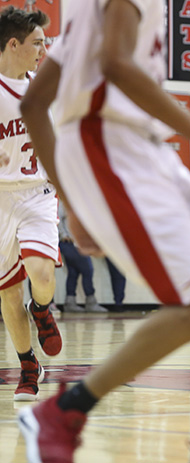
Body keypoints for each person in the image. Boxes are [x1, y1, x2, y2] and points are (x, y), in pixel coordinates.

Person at [17, 1, 190, 462]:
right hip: (106, 143)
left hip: (141, 150)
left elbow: (34, 103)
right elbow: (116, 66)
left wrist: (74, 201)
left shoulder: (89, 16)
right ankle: (64, 410)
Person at [0, 6, 63, 402]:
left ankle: (42, 310)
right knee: (7, 294)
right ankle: (28, 365)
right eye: (38, 42)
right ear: (13, 44)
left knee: (40, 275)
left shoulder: (46, 88)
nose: (45, 48)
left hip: (38, 191)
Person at [57, 202, 108, 313]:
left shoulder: (81, 202)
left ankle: (70, 303)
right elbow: (58, 218)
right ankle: (91, 302)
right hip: (69, 243)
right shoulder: (65, 201)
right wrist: (63, 235)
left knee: (73, 272)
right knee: (88, 270)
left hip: (77, 243)